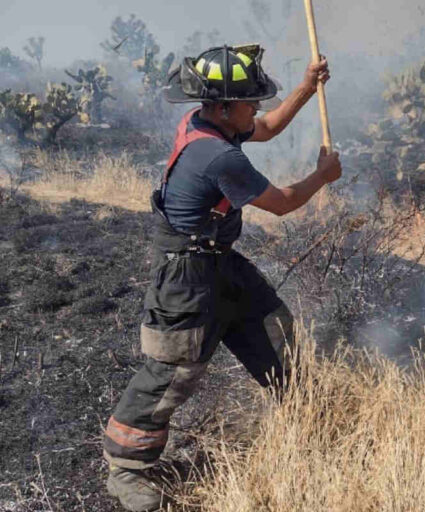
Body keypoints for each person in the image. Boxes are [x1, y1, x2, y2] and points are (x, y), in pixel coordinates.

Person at [102, 44, 341, 511]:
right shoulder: (217, 156)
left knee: (275, 332)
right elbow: (284, 202)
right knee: (171, 371)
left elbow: (268, 128)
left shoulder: (207, 122)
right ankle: (126, 469)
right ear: (223, 105)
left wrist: (306, 89)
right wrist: (322, 176)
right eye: (250, 101)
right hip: (186, 276)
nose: (257, 108)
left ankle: (311, 426)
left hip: (221, 262)